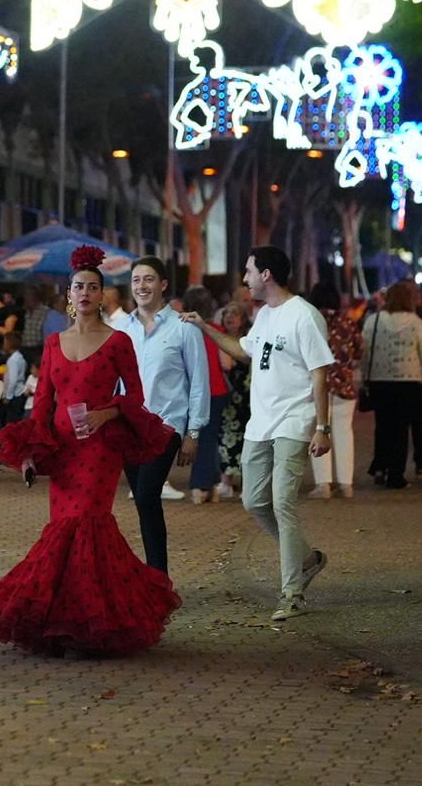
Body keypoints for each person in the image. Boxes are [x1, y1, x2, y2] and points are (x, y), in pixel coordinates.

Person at [0, 245, 181, 656]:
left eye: (93, 288)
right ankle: (61, 623)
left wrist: (108, 413)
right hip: (62, 450)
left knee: (89, 526)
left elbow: (136, 396)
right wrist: (29, 454)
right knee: (62, 533)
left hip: (99, 448)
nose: (85, 293)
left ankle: (93, 624)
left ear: (103, 296)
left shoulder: (117, 342)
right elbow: (42, 405)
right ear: (69, 294)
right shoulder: (51, 344)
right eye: (78, 287)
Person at [184, 246, 331, 621]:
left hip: (293, 422)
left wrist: (322, 427)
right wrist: (205, 327)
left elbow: (319, 373)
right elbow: (243, 351)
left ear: (266, 274)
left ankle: (291, 594)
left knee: (282, 502)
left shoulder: (305, 316)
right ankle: (306, 560)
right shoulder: (264, 315)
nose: (245, 278)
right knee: (253, 501)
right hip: (259, 424)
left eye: (249, 271)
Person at [116, 256, 209, 572]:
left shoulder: (184, 328)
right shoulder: (120, 329)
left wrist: (193, 432)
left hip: (166, 425)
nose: (141, 286)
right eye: (136, 280)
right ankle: (156, 575)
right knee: (146, 505)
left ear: (164, 285)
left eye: (149, 279)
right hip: (128, 427)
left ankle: (158, 575)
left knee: (145, 496)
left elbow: (199, 381)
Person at [359, 280, 422, 489]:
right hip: (409, 380)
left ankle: (379, 466)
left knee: (383, 426)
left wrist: (364, 376)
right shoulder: (416, 323)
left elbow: (365, 350)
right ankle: (396, 475)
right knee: (401, 428)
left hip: (379, 380)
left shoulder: (373, 321)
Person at [306, 280, 361, 499]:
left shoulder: (310, 322)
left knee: (320, 432)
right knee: (344, 433)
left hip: (317, 386)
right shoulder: (347, 322)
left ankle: (323, 484)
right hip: (344, 386)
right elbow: (359, 350)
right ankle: (346, 484)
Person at [178, 285, 230, 504]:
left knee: (197, 439)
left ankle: (201, 485)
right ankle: (209, 484)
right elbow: (226, 364)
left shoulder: (179, 329)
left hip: (188, 392)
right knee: (209, 439)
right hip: (216, 390)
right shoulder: (215, 329)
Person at [216, 300, 254, 499]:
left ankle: (247, 483)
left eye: (235, 313)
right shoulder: (220, 339)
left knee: (248, 438)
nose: (230, 316)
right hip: (229, 396)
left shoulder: (249, 339)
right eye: (226, 313)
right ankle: (226, 480)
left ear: (242, 319)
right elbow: (226, 365)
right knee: (226, 437)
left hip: (248, 396)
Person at [17, 284, 67, 370]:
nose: (25, 299)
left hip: (38, 349)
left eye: (27, 295)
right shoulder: (25, 312)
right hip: (25, 348)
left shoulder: (47, 312)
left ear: (35, 296)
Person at [0, 328, 31, 427]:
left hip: (15, 395)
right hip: (19, 393)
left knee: (12, 421)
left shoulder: (13, 360)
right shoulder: (20, 358)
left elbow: (13, 379)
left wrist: (8, 396)